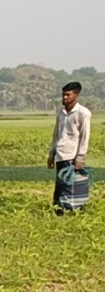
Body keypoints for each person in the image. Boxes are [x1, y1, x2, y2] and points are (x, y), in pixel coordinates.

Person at [49, 81, 91, 214]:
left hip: (72, 156)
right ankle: (59, 210)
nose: (64, 98)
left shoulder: (83, 113)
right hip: (60, 154)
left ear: (76, 95)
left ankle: (72, 210)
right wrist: (51, 154)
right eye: (63, 95)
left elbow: (84, 137)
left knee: (70, 185)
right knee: (61, 185)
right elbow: (56, 134)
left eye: (68, 95)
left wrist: (80, 157)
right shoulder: (61, 113)